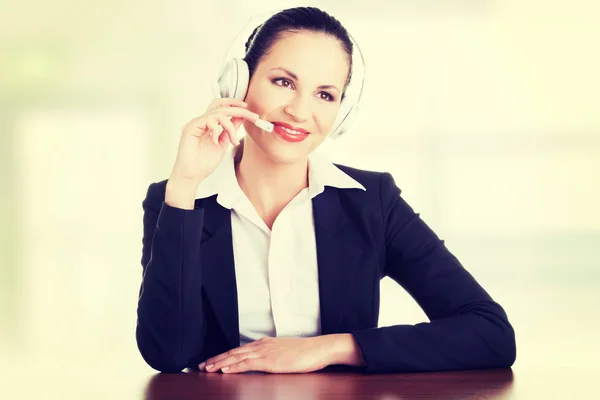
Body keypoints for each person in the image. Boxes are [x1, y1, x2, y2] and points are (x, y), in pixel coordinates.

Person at [136, 6, 516, 374]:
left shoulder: (373, 201)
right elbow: (168, 354)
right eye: (283, 82)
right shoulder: (177, 200)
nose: (301, 112)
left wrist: (328, 348)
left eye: (324, 95)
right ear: (239, 83)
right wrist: (184, 185)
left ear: (340, 111)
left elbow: (490, 334)